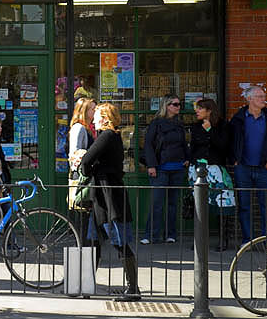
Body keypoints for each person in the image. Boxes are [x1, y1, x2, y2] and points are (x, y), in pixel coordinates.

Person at [75, 103, 140, 302]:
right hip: (101, 198)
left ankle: (133, 289)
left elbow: (87, 162)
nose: (93, 119)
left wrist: (84, 166)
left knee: (120, 242)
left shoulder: (107, 136)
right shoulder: (111, 136)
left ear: (104, 118)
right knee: (93, 242)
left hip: (110, 198)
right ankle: (85, 286)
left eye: (96, 116)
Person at [229, 86, 267, 246]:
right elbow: (229, 140)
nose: (263, 99)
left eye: (263, 96)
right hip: (243, 168)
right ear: (249, 99)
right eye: (260, 96)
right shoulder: (239, 119)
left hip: (264, 170)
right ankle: (247, 241)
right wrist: (234, 159)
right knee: (244, 206)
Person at [141, 94, 190, 245]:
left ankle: (171, 234)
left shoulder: (179, 124)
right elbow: (148, 145)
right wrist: (151, 165)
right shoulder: (156, 123)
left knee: (172, 204)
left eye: (179, 104)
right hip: (160, 168)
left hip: (178, 168)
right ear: (167, 106)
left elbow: (184, 143)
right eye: (175, 104)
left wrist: (187, 158)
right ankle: (151, 235)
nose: (178, 107)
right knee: (157, 203)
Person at [189, 98, 235, 251]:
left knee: (221, 204)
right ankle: (199, 240)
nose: (196, 111)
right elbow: (194, 147)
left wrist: (210, 130)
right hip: (198, 168)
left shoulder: (223, 126)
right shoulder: (195, 126)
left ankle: (223, 240)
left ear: (209, 110)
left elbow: (223, 146)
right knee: (198, 205)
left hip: (216, 170)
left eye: (200, 108)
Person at [68, 97, 97, 252]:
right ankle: (80, 246)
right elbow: (75, 153)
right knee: (81, 212)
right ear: (84, 111)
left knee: (87, 213)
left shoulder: (89, 127)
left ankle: (86, 245)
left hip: (87, 175)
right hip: (81, 177)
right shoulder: (79, 128)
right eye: (92, 109)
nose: (95, 111)